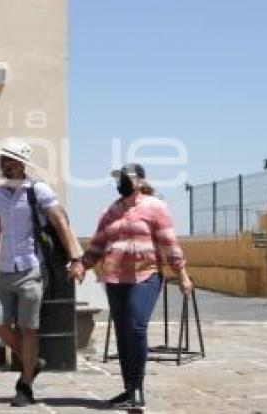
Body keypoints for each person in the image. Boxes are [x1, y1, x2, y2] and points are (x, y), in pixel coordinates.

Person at [69, 163, 193, 410]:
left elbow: (169, 242)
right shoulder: (111, 211)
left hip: (145, 276)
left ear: (139, 181)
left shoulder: (155, 207)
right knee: (123, 333)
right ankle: (129, 390)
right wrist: (83, 264)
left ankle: (137, 389)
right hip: (115, 279)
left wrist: (182, 274)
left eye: (125, 178)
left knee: (136, 326)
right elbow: (97, 244)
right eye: (118, 179)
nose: (120, 183)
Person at [0, 138, 83, 407]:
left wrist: (75, 259)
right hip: (4, 270)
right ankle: (32, 362)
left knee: (28, 329)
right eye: (2, 158)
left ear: (19, 162)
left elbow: (60, 224)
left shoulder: (39, 191)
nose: (2, 162)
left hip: (32, 270)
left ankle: (25, 386)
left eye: (7, 158)